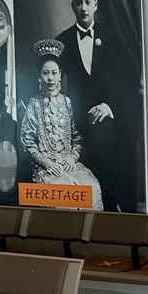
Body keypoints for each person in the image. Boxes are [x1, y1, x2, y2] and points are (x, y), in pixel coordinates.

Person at [56, 0, 131, 211]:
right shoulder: (62, 41)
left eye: (88, 2)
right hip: (76, 122)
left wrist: (108, 106)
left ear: (96, 5)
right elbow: (51, 80)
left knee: (108, 183)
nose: (83, 7)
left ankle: (109, 215)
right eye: (79, 3)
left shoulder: (113, 39)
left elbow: (124, 81)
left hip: (106, 121)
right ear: (73, 6)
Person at [20, 39, 103, 209]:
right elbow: (27, 143)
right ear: (39, 76)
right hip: (46, 167)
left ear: (60, 75)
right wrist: (47, 163)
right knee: (62, 193)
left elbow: (76, 139)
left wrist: (71, 159)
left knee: (91, 186)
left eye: (54, 73)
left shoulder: (67, 102)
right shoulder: (34, 104)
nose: (50, 78)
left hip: (68, 164)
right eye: (45, 73)